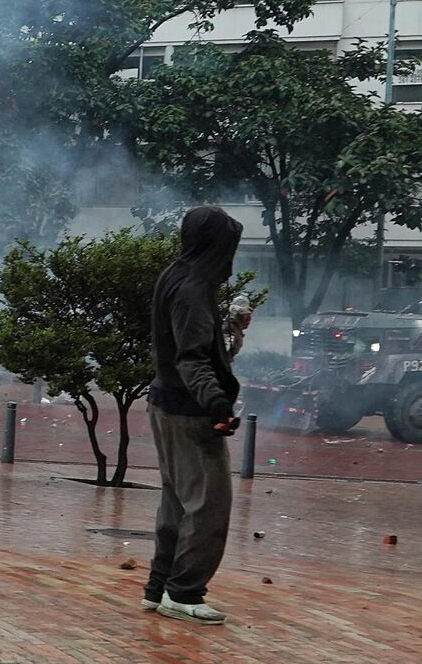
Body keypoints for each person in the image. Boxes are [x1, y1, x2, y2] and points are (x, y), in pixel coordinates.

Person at [143, 206, 244, 626]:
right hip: (188, 411)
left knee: (177, 501)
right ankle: (183, 593)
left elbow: (189, 344)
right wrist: (217, 405)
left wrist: (228, 331)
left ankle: (159, 588)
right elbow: (191, 359)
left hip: (166, 402)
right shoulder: (193, 288)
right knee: (208, 505)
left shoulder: (176, 275)